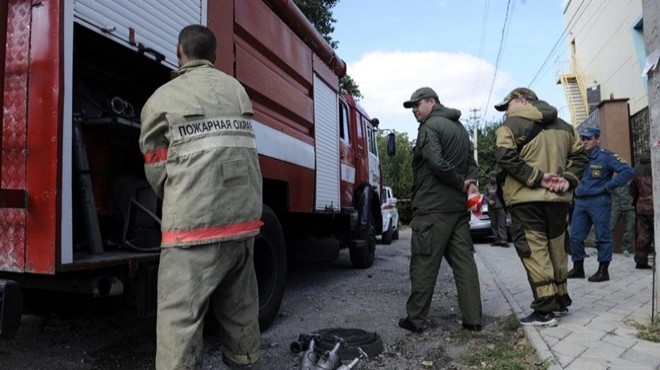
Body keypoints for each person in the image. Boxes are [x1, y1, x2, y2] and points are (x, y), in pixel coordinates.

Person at [139, 25, 263, 370]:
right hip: (243, 221)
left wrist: (179, 195)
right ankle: (245, 361)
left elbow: (156, 164)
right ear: (215, 56)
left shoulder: (162, 98)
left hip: (193, 227)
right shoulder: (237, 90)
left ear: (179, 50)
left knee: (180, 316)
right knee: (241, 311)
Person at [494, 87, 588, 327]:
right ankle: (560, 299)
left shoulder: (509, 128)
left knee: (534, 251)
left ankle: (544, 310)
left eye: (507, 106)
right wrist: (567, 178)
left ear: (522, 100)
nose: (506, 113)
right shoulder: (566, 127)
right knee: (557, 248)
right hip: (558, 199)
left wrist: (537, 178)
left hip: (526, 200)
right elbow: (580, 157)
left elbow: (505, 157)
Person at [399, 87, 483, 333]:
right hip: (457, 211)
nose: (414, 110)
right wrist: (470, 184)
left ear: (432, 102)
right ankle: (473, 320)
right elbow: (471, 164)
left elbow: (435, 162)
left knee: (424, 264)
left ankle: (415, 320)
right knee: (465, 264)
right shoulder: (459, 128)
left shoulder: (429, 127)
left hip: (432, 209)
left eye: (417, 104)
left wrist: (460, 183)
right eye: (412, 106)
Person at [568, 127, 634, 282]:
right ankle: (578, 268)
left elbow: (628, 171)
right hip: (581, 202)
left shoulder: (606, 156)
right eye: (583, 139)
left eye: (589, 138)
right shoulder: (579, 157)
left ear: (597, 140)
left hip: (599, 201)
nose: (585, 142)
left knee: (602, 237)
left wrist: (609, 186)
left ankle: (603, 270)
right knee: (575, 237)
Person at [630, 151, 654, 269]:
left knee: (643, 234)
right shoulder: (656, 164)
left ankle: (640, 261)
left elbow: (632, 189)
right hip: (656, 206)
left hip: (642, 206)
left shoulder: (636, 169)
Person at [483, 171, 510, 247]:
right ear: (489, 177)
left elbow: (506, 194)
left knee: (502, 224)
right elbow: (484, 196)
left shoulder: (501, 185)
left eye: (495, 176)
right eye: (492, 176)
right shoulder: (487, 187)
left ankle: (503, 241)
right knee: (493, 224)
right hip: (491, 208)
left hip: (501, 207)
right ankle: (497, 240)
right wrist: (488, 200)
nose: (493, 178)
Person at [609, 182, 636, 257]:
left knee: (629, 228)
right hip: (616, 205)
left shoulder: (632, 177)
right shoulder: (615, 177)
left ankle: (626, 248)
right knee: (610, 227)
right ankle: (604, 248)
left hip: (629, 205)